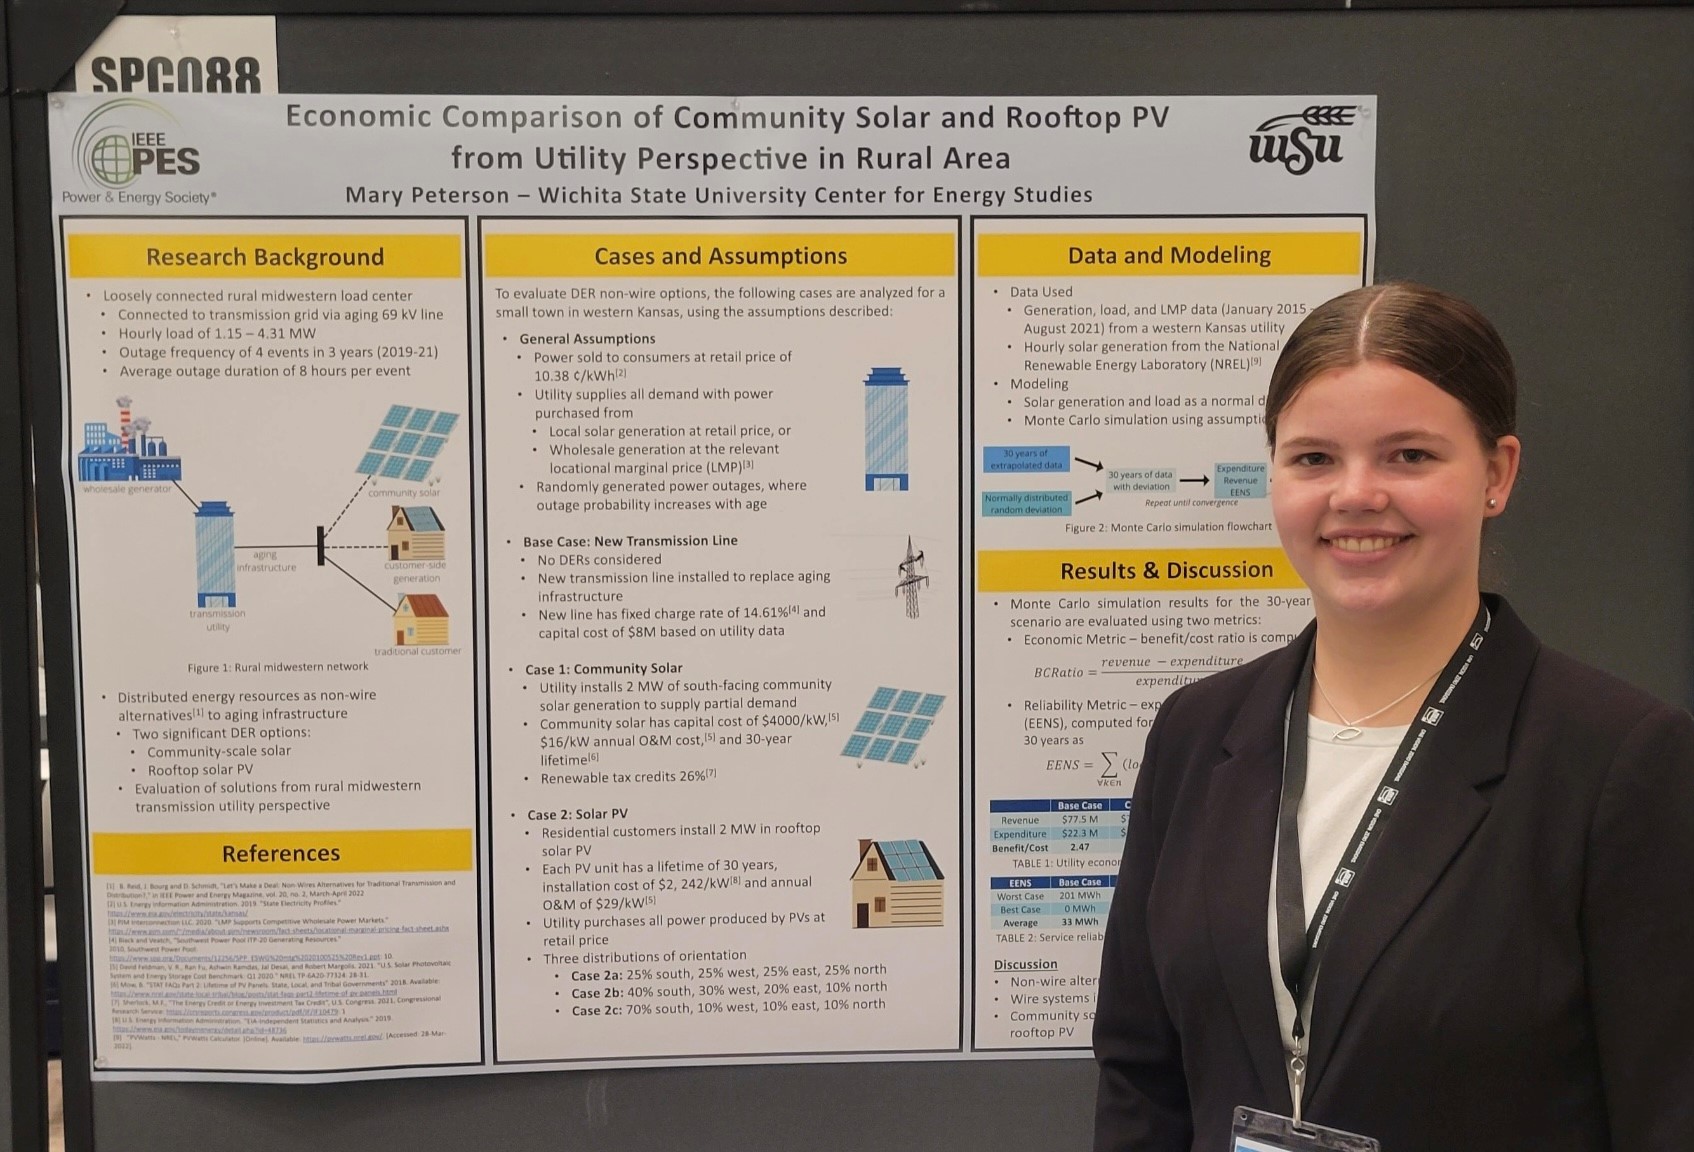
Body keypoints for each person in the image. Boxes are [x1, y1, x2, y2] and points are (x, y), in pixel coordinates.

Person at [1091, 282, 1694, 1151]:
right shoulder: (1195, 732)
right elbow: (1139, 1071)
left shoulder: (1618, 762)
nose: (1357, 495)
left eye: (1409, 456)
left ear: (1497, 474)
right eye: (1313, 459)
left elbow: (1670, 1108)